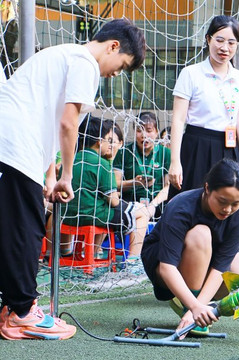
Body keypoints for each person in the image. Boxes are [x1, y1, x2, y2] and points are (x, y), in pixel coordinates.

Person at [0, 18, 145, 340]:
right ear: (113, 46)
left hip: (15, 145)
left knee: (16, 226)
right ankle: (21, 313)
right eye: (121, 65)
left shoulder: (61, 54)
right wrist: (67, 176)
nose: (116, 73)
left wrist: (50, 176)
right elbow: (68, 124)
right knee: (25, 229)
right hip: (14, 146)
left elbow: (48, 124)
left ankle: (13, 306)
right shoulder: (84, 63)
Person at [141, 159, 239, 335]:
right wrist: (193, 307)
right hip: (164, 266)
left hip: (206, 263)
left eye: (236, 203)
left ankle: (200, 306)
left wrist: (200, 306)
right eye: (222, 201)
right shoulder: (181, 206)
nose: (228, 209)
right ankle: (188, 305)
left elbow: (220, 268)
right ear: (207, 188)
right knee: (201, 233)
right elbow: (166, 267)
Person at [167, 15, 239, 199]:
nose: (225, 48)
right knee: (191, 202)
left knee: (225, 205)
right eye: (219, 40)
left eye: (231, 42)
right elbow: (178, 119)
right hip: (196, 147)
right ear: (208, 39)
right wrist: (175, 161)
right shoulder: (191, 73)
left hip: (230, 149)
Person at [62, 117, 151, 269]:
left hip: (67, 215)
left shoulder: (70, 160)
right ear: (99, 141)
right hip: (94, 215)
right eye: (107, 140)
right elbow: (114, 201)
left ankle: (72, 252)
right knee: (142, 211)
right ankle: (133, 262)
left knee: (104, 206)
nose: (109, 145)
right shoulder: (102, 164)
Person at [113, 112, 170, 219]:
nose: (144, 135)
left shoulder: (166, 153)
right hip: (130, 205)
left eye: (149, 131)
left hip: (157, 205)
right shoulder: (123, 152)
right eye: (139, 131)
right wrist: (134, 183)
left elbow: (168, 186)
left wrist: (153, 204)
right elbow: (115, 184)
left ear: (157, 132)